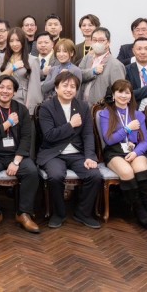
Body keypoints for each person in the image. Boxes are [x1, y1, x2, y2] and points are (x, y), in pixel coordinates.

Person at [36, 71, 102, 229]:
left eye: (73, 86)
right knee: (55, 176)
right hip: (53, 153)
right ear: (56, 88)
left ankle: (83, 213)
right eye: (65, 85)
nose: (69, 89)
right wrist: (70, 125)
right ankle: (58, 213)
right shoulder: (46, 107)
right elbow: (49, 135)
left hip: (77, 153)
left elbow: (87, 134)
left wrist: (90, 157)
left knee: (94, 175)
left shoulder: (83, 107)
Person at [0, 75, 40, 234]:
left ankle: (24, 214)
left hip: (16, 154)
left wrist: (16, 161)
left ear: (14, 92)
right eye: (1, 87)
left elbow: (26, 138)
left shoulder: (21, 109)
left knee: (32, 172)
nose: (5, 91)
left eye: (9, 88)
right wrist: (8, 123)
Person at [96, 79, 147, 230]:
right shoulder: (106, 113)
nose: (123, 96)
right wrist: (127, 129)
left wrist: (136, 153)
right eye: (120, 92)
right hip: (114, 151)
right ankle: (139, 209)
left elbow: (144, 141)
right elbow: (109, 139)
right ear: (113, 95)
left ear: (131, 95)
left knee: (140, 168)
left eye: (127, 93)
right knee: (127, 171)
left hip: (135, 150)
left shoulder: (138, 115)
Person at [0, 27, 42, 112]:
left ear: (23, 41)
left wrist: (29, 109)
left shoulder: (32, 60)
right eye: (11, 41)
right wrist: (13, 68)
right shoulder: (2, 58)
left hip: (22, 100)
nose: (14, 44)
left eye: (18, 40)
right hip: (3, 98)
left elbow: (34, 87)